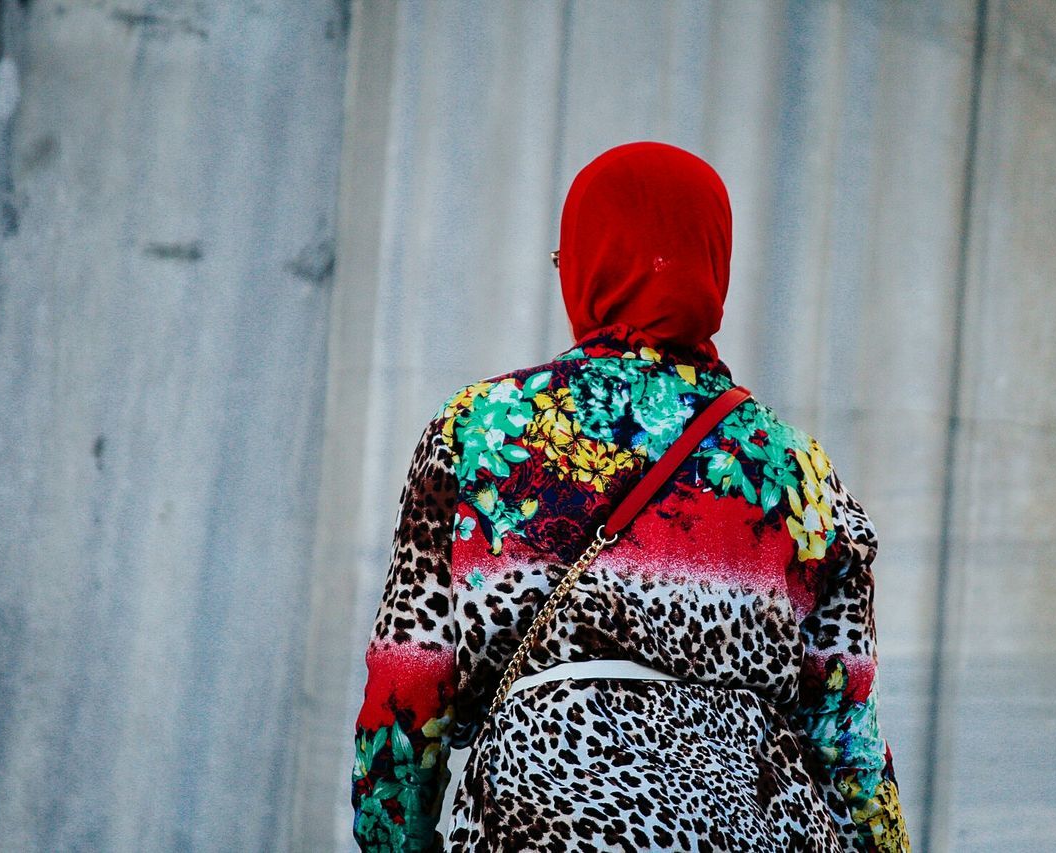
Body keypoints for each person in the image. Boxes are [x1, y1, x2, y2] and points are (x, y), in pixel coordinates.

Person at [349, 141, 910, 852]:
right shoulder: (800, 472)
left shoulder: (479, 432)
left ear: (590, 263)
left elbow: (405, 694)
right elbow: (849, 743)